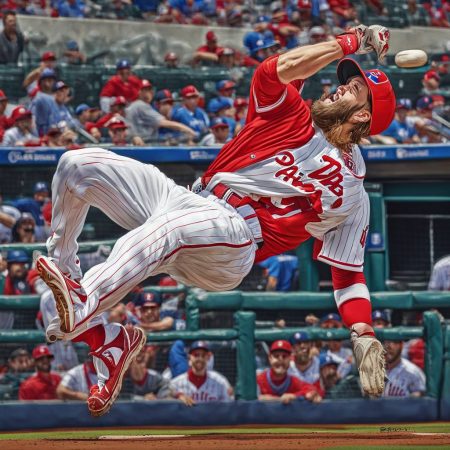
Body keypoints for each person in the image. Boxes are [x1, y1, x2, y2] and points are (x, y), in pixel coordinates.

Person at [36, 23, 393, 416]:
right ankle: (97, 325)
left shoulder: (354, 195)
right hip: (191, 199)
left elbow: (348, 274)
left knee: (169, 230)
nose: (340, 86)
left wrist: (363, 332)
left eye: (353, 88)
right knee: (76, 166)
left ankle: (84, 299)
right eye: (346, 80)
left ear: (362, 114)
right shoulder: (290, 114)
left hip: (235, 242)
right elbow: (278, 69)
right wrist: (351, 42)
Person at [126, 79, 195, 144]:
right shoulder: (141, 105)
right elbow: (163, 123)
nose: (149, 92)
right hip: (138, 145)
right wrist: (187, 129)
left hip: (134, 143)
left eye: (149, 89)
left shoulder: (136, 105)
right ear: (139, 92)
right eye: (145, 90)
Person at [257, 340, 321, 403]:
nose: (280, 360)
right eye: (276, 356)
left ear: (290, 358)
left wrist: (294, 396)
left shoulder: (293, 381)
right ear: (270, 358)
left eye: (284, 356)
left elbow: (312, 389)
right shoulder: (260, 379)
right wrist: (278, 399)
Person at [169, 341, 232, 405]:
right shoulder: (176, 384)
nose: (200, 358)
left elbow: (228, 408)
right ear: (189, 357)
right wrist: (177, 396)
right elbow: (165, 402)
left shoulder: (220, 382)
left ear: (208, 357)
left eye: (203, 355)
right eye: (196, 355)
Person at [30, 68, 58, 136]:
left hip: (54, 135)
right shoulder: (39, 98)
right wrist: (37, 138)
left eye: (51, 79)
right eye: (46, 79)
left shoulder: (54, 98)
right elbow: (32, 120)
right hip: (43, 134)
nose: (49, 82)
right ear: (41, 82)